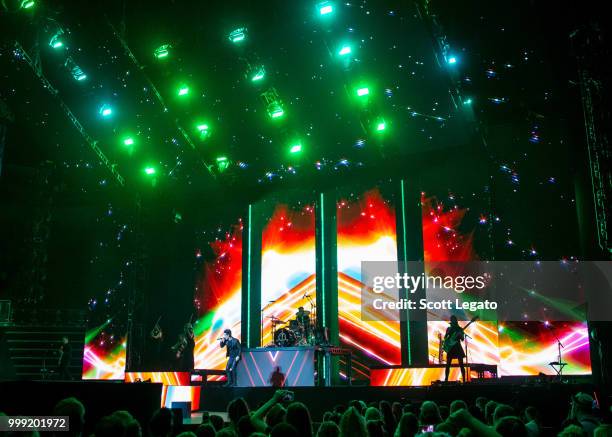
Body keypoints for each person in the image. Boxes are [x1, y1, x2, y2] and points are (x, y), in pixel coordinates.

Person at [444, 316, 466, 383]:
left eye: (454, 320)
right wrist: (448, 333)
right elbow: (445, 337)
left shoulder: (459, 329)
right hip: (451, 347)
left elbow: (462, 339)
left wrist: (460, 335)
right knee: (448, 364)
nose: (452, 322)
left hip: (457, 346)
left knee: (461, 364)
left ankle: (464, 380)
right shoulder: (448, 329)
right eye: (452, 320)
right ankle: (446, 379)